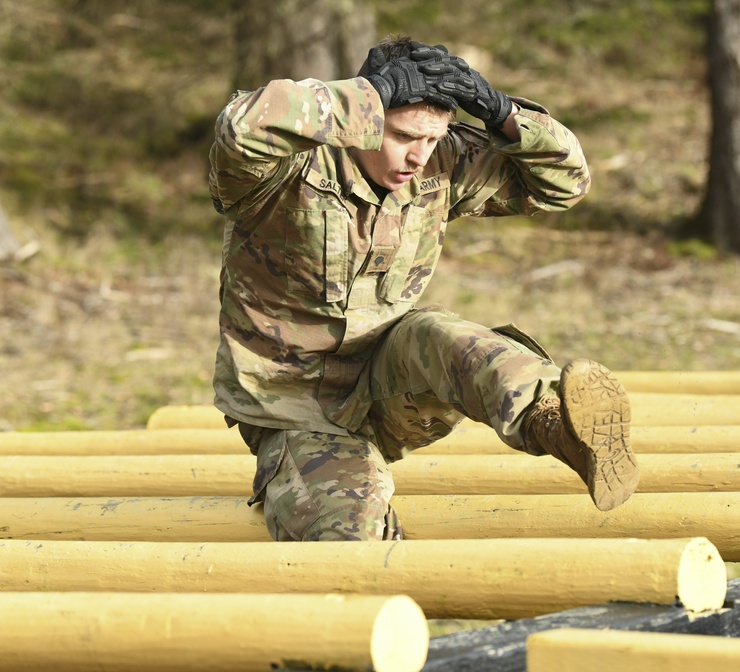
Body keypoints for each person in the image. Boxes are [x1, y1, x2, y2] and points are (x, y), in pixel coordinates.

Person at [208, 36, 640, 542]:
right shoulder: (286, 167)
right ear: (369, 119)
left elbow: (564, 185)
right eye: (403, 135)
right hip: (292, 409)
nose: (418, 156)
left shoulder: (441, 163)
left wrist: (502, 114)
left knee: (438, 332)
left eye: (432, 138)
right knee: (348, 534)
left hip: (393, 381)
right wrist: (369, 94)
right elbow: (239, 130)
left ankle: (554, 422)